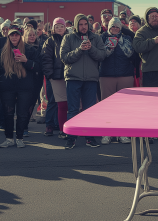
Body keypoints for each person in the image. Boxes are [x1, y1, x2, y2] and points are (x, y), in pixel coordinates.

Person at [60, 14, 106, 149]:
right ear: (76, 26)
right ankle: (71, 138)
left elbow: (102, 55)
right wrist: (79, 50)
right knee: (73, 110)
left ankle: (89, 137)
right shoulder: (68, 37)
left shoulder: (96, 38)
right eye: (81, 24)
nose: (84, 27)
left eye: (85, 24)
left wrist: (91, 48)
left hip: (91, 79)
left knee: (89, 110)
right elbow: (64, 57)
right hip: (73, 78)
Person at [0, 25, 40, 148]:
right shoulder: (3, 50)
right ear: (8, 36)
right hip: (8, 87)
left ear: (20, 36)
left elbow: (38, 67)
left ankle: (20, 138)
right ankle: (9, 138)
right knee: (8, 114)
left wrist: (26, 61)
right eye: (12, 34)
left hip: (25, 87)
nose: (14, 37)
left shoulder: (29, 49)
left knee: (22, 114)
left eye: (17, 35)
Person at [99, 18, 135, 145]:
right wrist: (109, 47)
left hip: (125, 74)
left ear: (120, 28)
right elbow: (101, 56)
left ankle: (123, 132)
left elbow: (130, 53)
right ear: (108, 27)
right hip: (106, 75)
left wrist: (119, 43)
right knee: (106, 106)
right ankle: (106, 132)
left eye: (117, 27)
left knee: (123, 107)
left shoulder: (127, 39)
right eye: (112, 26)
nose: (115, 29)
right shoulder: (102, 38)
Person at [41, 18, 69, 139]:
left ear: (65, 27)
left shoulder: (69, 39)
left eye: (61, 26)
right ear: (53, 28)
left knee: (64, 103)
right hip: (53, 77)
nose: (59, 28)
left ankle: (60, 125)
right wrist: (50, 75)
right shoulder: (49, 41)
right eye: (56, 26)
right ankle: (49, 125)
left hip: (67, 76)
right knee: (52, 101)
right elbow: (46, 59)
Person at [23, 27, 43, 136]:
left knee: (31, 104)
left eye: (33, 35)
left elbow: (40, 65)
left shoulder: (40, 48)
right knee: (23, 104)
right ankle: (23, 126)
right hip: (24, 79)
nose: (32, 37)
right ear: (25, 37)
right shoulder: (22, 48)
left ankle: (25, 126)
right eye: (29, 35)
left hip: (36, 79)